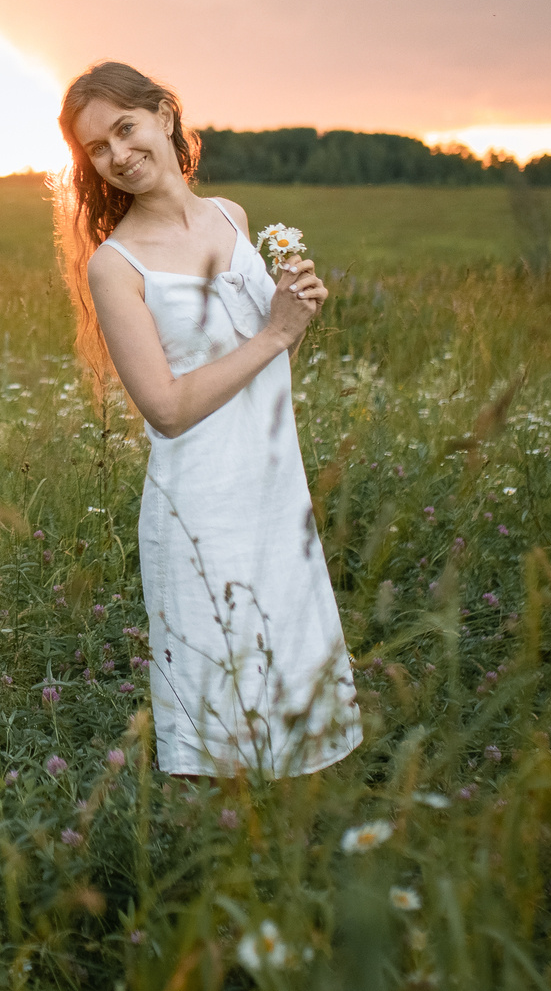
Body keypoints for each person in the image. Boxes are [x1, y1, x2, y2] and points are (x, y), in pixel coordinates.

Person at [56, 60, 361, 779]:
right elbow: (164, 410)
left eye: (125, 129)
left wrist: (294, 310)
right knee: (224, 721)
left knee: (292, 696)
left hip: (276, 493)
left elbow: (257, 351)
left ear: (165, 115)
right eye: (96, 149)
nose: (118, 156)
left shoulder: (232, 217)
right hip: (203, 510)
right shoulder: (118, 265)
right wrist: (274, 335)